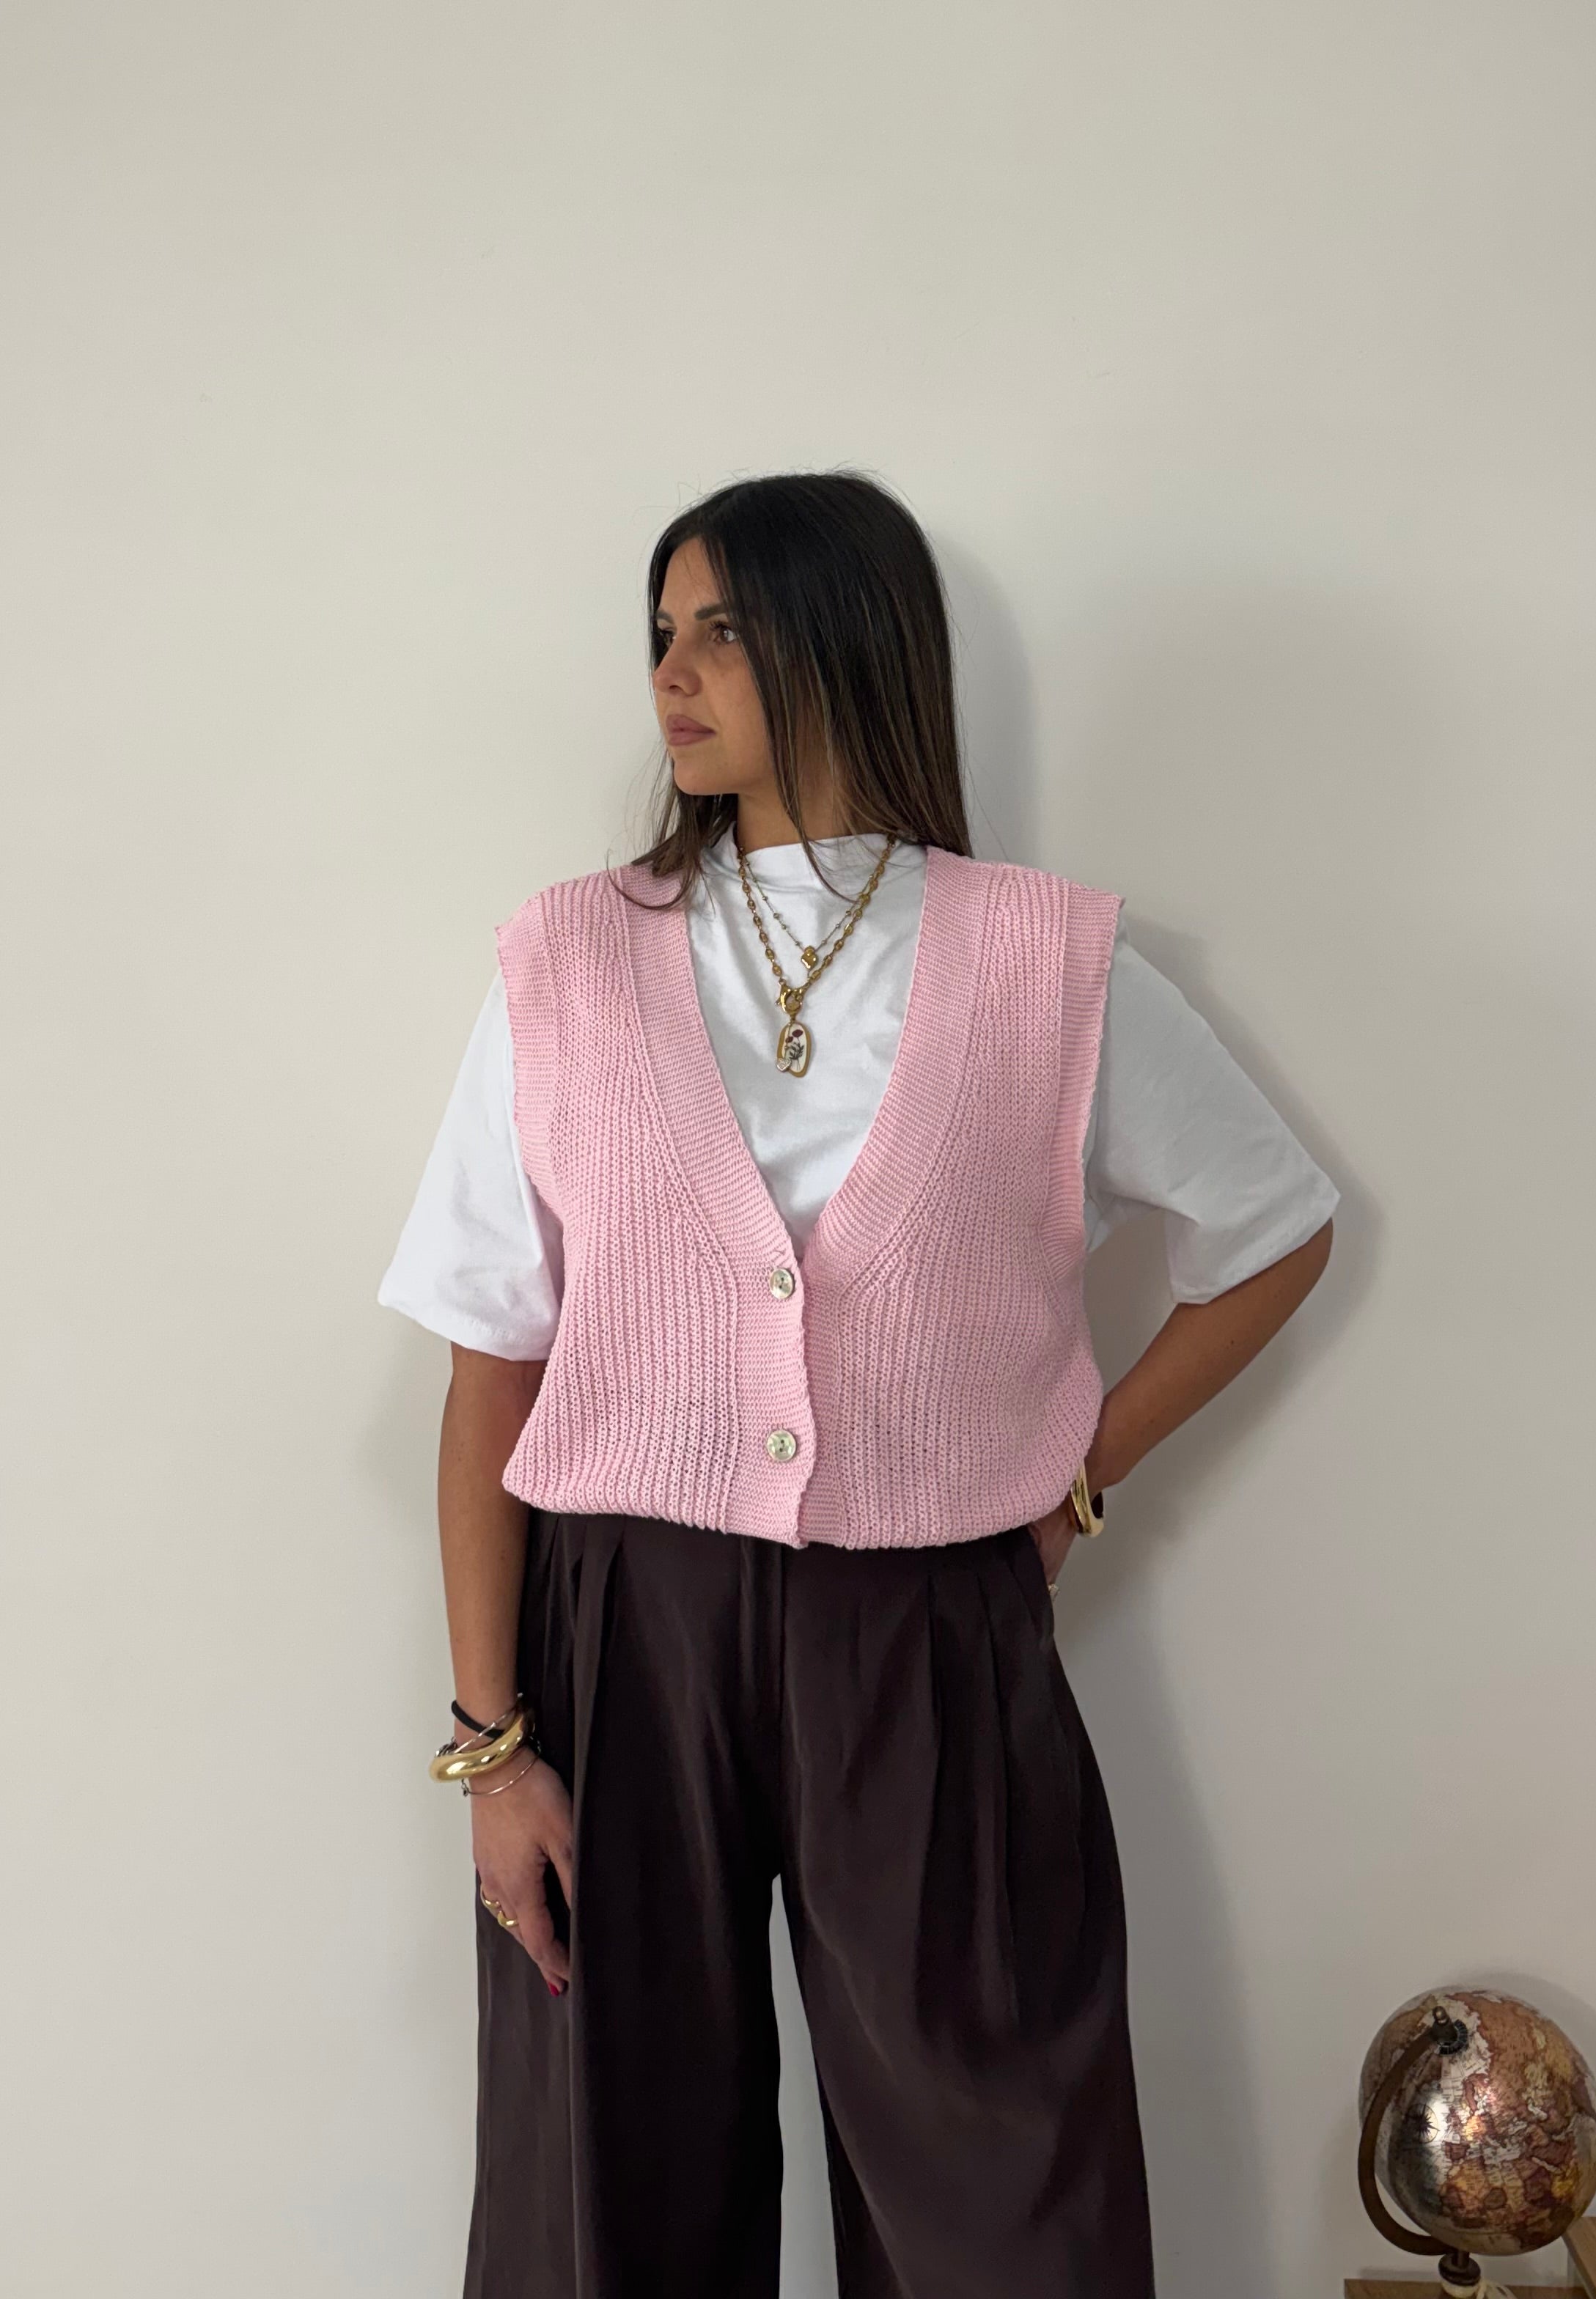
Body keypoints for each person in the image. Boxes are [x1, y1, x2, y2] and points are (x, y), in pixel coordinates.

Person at [380, 468, 1338, 2299]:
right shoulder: (567, 963)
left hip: (931, 1631)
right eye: (659, 633)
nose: (671, 673)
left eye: (722, 630)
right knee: (611, 2182)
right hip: (623, 1630)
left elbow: (1274, 1231)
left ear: (846, 639)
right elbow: (489, 1360)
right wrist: (491, 1749)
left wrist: (1079, 1481)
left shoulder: (1049, 962)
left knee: (1003, 2185)